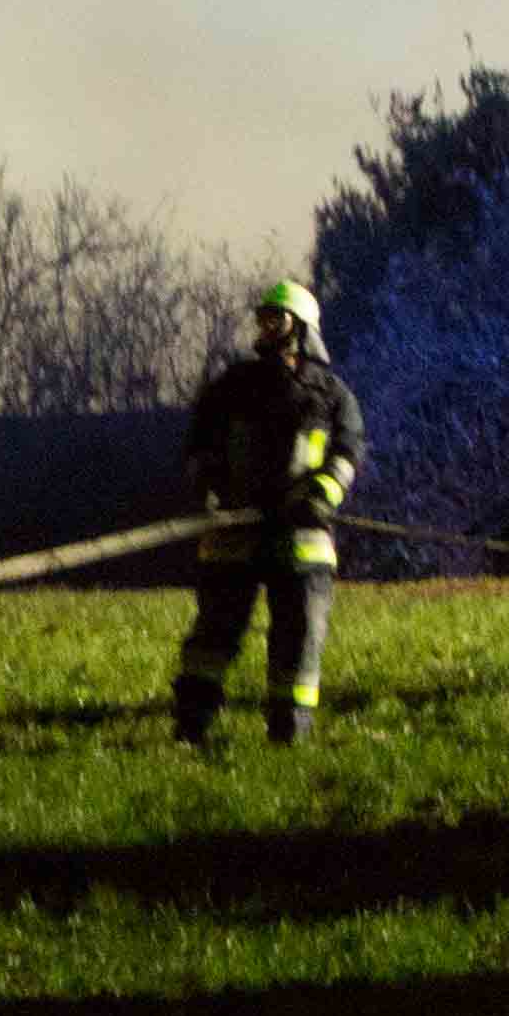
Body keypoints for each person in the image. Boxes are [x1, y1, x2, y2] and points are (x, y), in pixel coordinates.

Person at [175, 278, 363, 749]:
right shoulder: (232, 388)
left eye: (275, 319)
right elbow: (201, 447)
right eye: (262, 320)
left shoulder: (332, 396)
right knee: (214, 635)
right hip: (234, 533)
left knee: (298, 638)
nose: (265, 328)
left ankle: (288, 733)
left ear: (301, 328)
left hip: (302, 535)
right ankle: (191, 727)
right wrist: (210, 492)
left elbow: (346, 454)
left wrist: (321, 495)